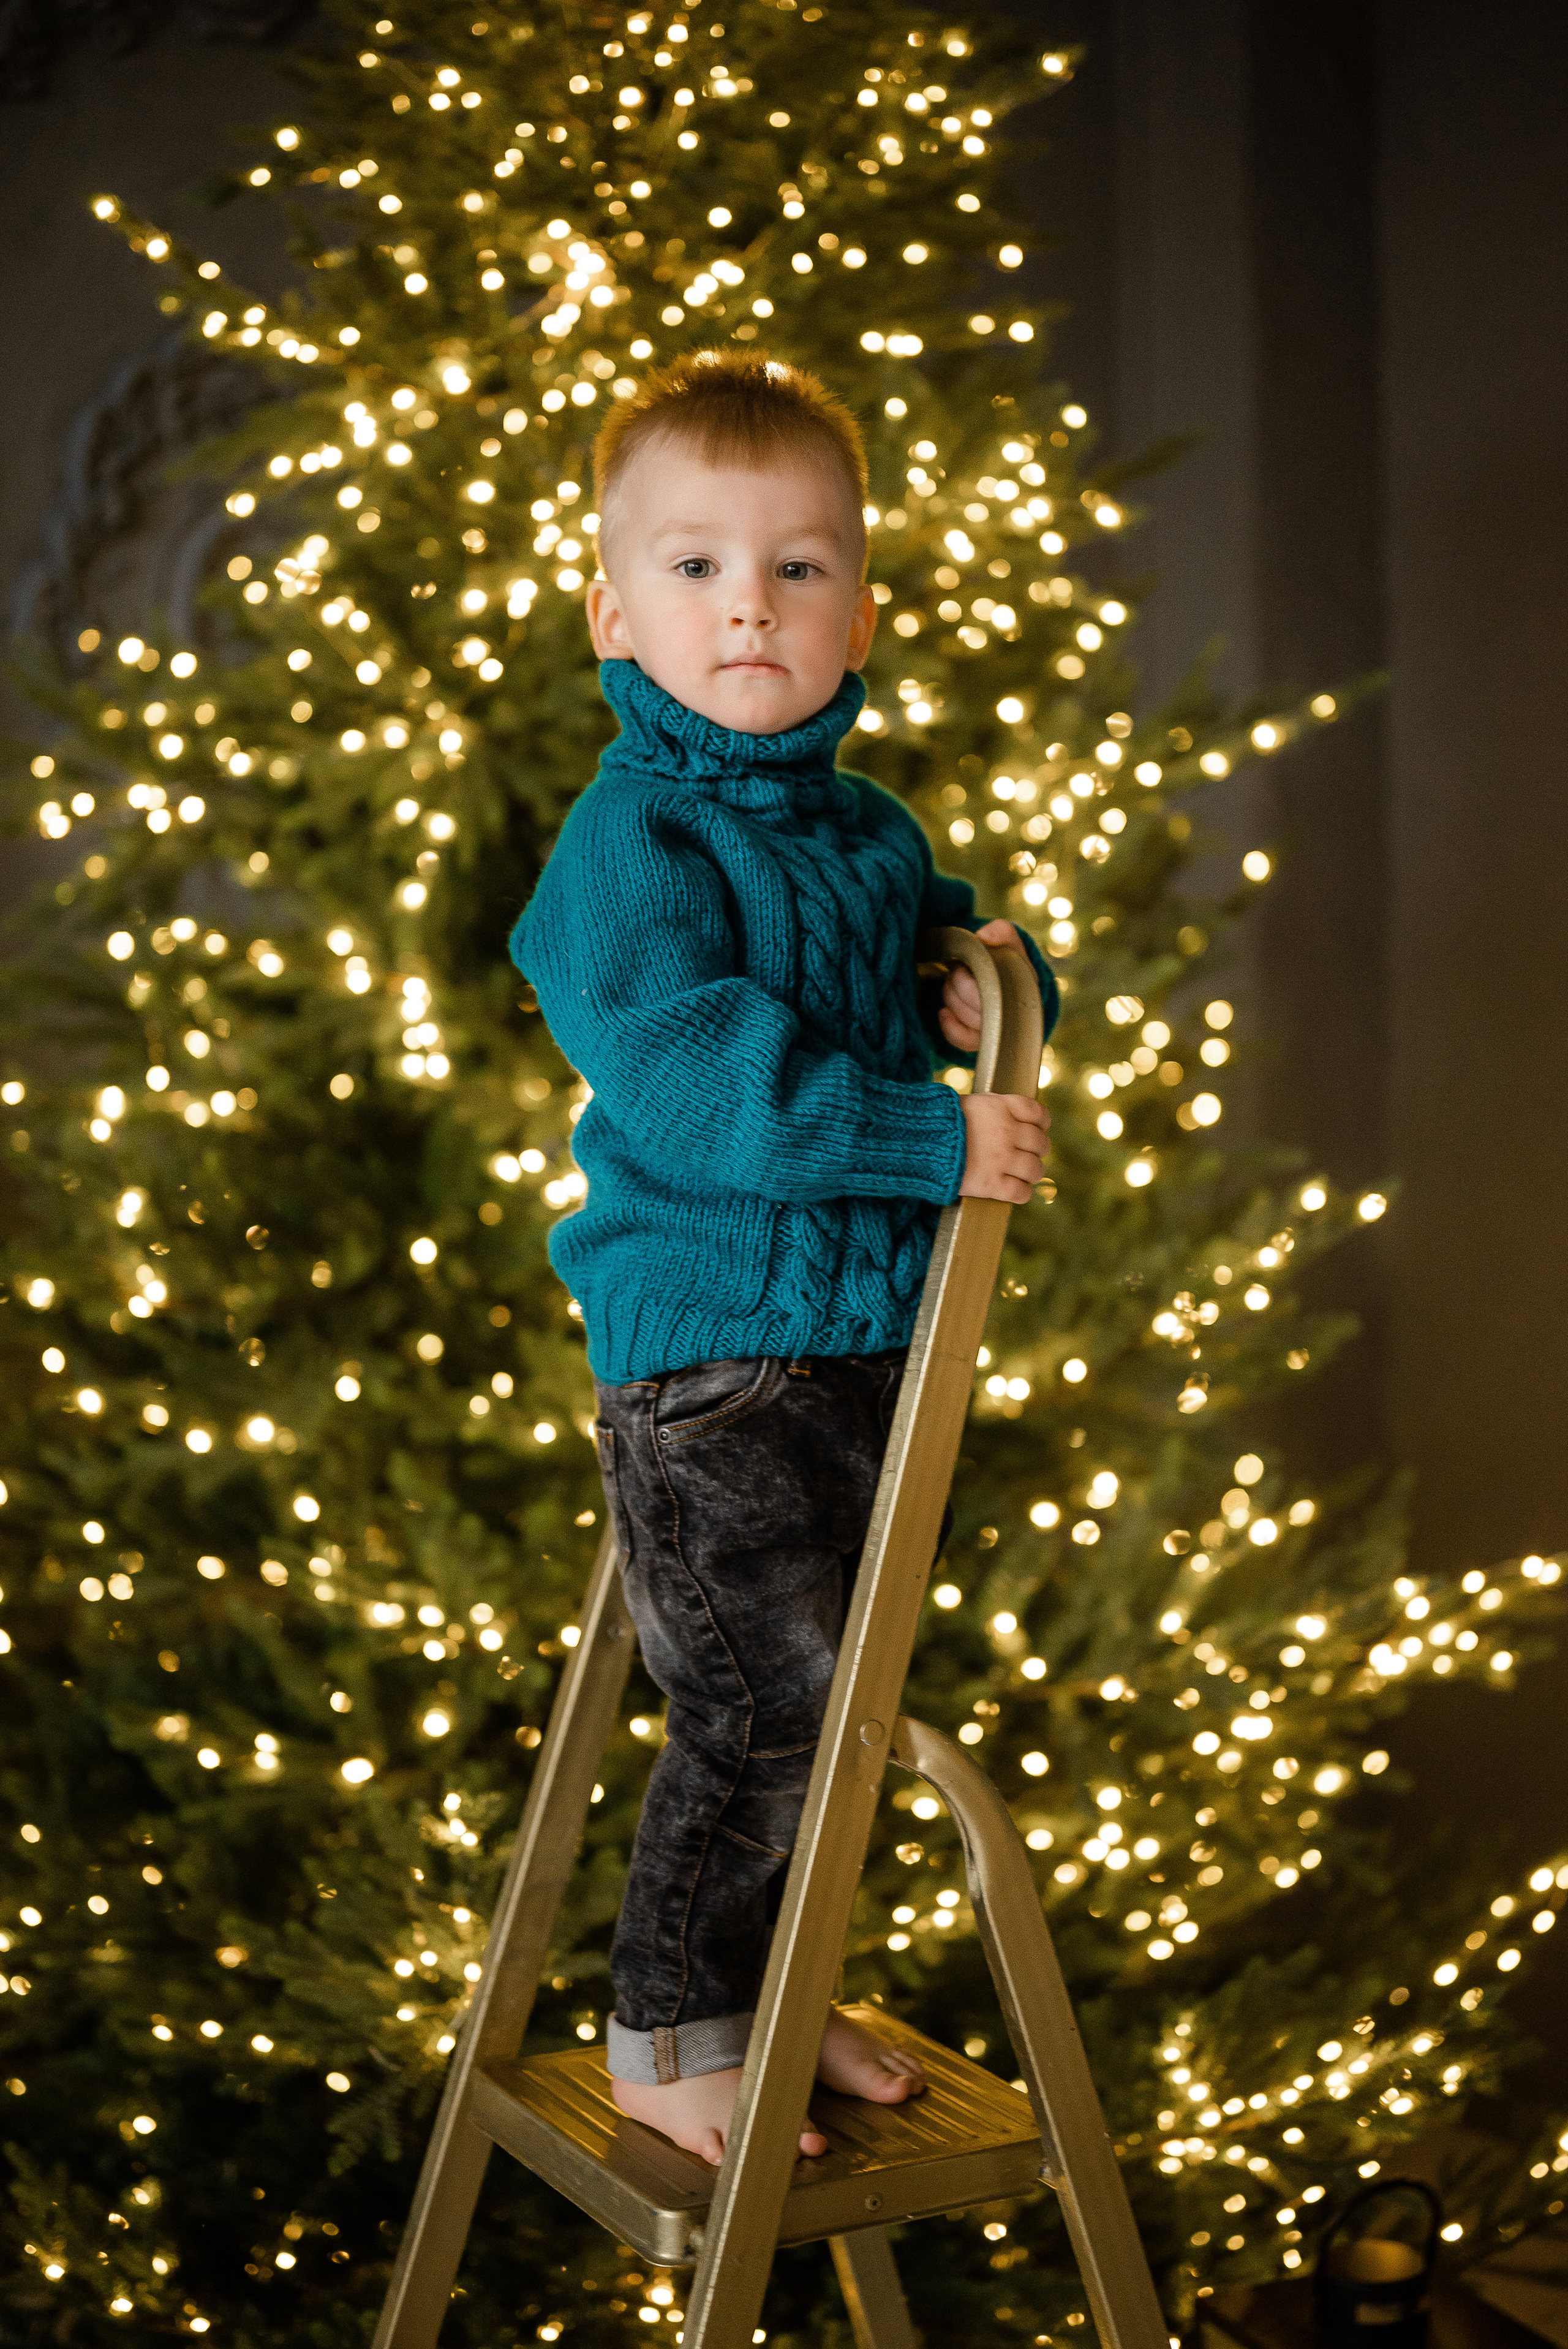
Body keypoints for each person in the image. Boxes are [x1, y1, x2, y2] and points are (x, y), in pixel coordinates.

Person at [510, 349, 1056, 2166]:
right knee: (761, 1709)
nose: (750, 604)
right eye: (696, 568)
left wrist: (944, 969)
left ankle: (776, 1989)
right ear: (614, 606)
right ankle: (671, 2034)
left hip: (861, 1340)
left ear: (861, 608)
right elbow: (699, 1079)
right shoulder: (632, 841)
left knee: (843, 1705)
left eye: (798, 566)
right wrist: (930, 1133)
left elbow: (868, 951)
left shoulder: (865, 825)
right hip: (717, 1356)